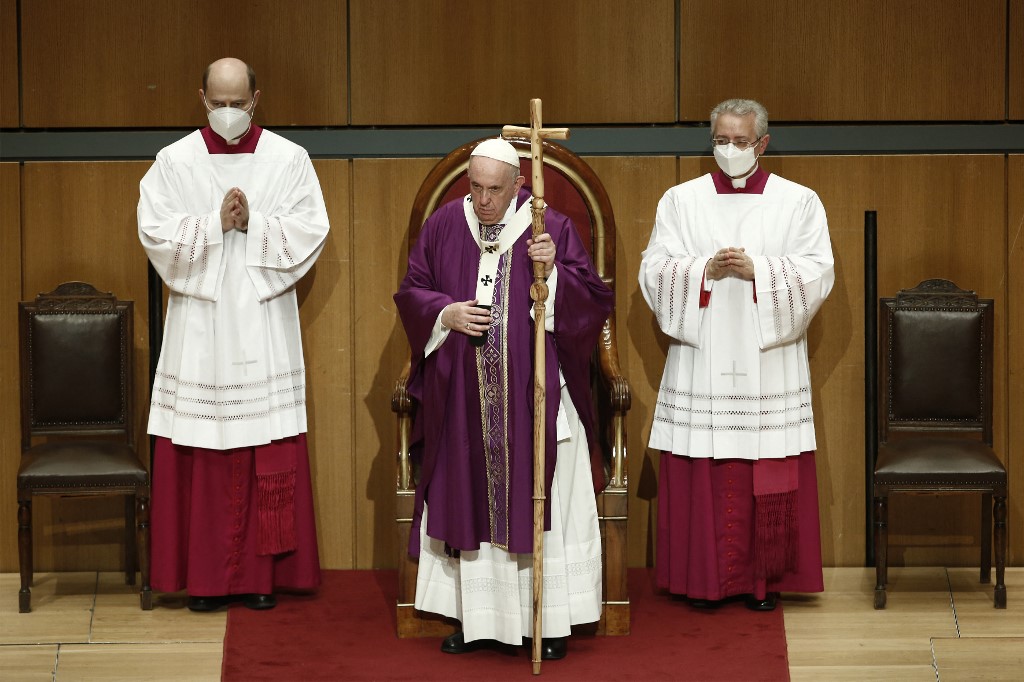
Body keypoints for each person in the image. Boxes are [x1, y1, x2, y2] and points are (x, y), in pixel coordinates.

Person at [394, 138, 613, 660]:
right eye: (476, 187)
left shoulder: (549, 228)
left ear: (520, 184)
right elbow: (412, 290)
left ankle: (549, 620)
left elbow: (592, 303)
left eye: (495, 189)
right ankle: (478, 620)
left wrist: (554, 274)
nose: (485, 200)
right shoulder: (446, 223)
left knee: (539, 499)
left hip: (533, 399)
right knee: (469, 497)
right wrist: (444, 314)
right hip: (464, 400)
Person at [138, 57, 328, 612]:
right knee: (202, 447)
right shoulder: (174, 162)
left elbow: (311, 229)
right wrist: (213, 223)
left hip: (262, 321)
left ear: (255, 98)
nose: (227, 113)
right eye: (217, 103)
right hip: (201, 324)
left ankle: (262, 578)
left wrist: (255, 223)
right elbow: (154, 231)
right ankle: (204, 580)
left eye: (237, 103)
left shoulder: (288, 160)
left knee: (263, 445)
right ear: (202, 98)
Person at [638, 99, 833, 611]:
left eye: (740, 141)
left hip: (766, 358)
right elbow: (654, 270)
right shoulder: (681, 200)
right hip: (703, 355)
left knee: (762, 458)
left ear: (762, 144)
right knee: (705, 461)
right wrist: (703, 269)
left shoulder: (799, 202)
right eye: (721, 140)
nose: (729, 150)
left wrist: (760, 272)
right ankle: (702, 580)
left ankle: (762, 582)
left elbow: (817, 270)